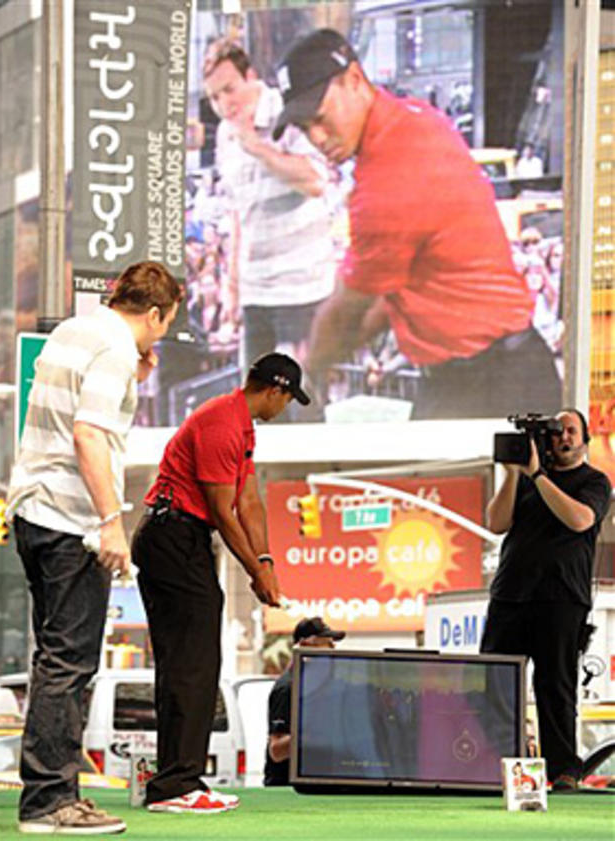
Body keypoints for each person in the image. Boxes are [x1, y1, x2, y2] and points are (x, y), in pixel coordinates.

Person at [273, 29, 561, 419]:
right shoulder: (414, 119)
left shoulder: (387, 180)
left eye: (320, 119)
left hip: (490, 385)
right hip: (496, 374)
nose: (317, 138)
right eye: (305, 129)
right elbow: (385, 293)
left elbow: (348, 309)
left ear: (355, 80)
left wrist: (310, 369)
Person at [5, 261, 182, 834]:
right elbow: (88, 434)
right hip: (69, 519)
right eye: (164, 325)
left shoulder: (75, 330)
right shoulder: (114, 350)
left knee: (53, 657)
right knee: (69, 661)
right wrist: (111, 521)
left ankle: (51, 795)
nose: (160, 338)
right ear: (153, 312)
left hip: (32, 510)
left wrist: (137, 369)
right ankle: (50, 804)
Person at [131, 352, 310, 814]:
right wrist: (255, 573)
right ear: (275, 390)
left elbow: (249, 501)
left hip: (185, 540)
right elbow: (222, 512)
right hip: (172, 535)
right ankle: (174, 786)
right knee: (191, 662)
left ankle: (180, 778)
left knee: (196, 660)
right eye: (289, 398)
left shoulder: (243, 425)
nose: (286, 407)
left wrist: (266, 561)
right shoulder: (221, 422)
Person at [480, 409, 611, 790]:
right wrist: (513, 474)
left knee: (555, 685)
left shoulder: (594, 482)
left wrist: (538, 476)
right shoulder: (525, 481)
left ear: (584, 440)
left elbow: (580, 520)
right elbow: (497, 522)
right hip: (511, 594)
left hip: (561, 598)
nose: (563, 438)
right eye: (557, 432)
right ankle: (495, 762)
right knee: (496, 681)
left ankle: (563, 770)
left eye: (571, 431)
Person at [202, 39, 336, 409]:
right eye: (214, 98)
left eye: (229, 89)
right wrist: (232, 287)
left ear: (251, 76)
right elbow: (236, 213)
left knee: (301, 403)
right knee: (254, 405)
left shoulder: (287, 111)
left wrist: (256, 146)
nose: (224, 103)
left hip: (301, 290)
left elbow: (315, 180)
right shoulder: (226, 134)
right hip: (255, 290)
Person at [264, 617, 345, 787]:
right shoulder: (287, 688)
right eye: (327, 644)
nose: (333, 649)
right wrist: (314, 732)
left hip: (315, 784)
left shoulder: (324, 686)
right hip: (287, 790)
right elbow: (277, 751)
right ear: (306, 647)